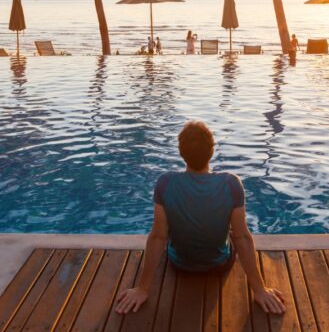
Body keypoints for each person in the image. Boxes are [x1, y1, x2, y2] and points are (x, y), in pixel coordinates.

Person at [114, 121, 286, 316]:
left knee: (167, 227)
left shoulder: (165, 183)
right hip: (219, 264)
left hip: (180, 265)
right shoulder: (231, 184)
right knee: (234, 231)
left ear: (181, 153)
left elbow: (158, 238)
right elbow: (242, 238)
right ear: (212, 151)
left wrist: (142, 289)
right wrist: (260, 290)